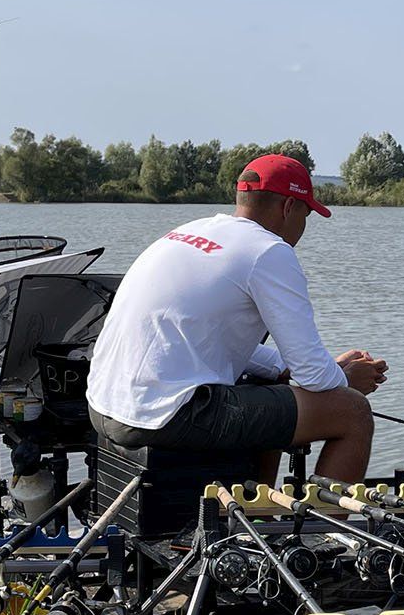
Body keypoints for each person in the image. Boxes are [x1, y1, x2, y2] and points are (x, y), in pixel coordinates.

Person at [87, 153, 385, 483]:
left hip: (102, 405)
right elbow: (315, 377)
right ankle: (330, 533)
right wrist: (345, 380)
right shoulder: (270, 250)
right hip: (162, 414)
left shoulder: (190, 231)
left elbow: (203, 335)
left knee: (273, 383)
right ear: (288, 207)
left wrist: (303, 369)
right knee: (352, 412)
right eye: (306, 214)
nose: (304, 226)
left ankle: (260, 515)